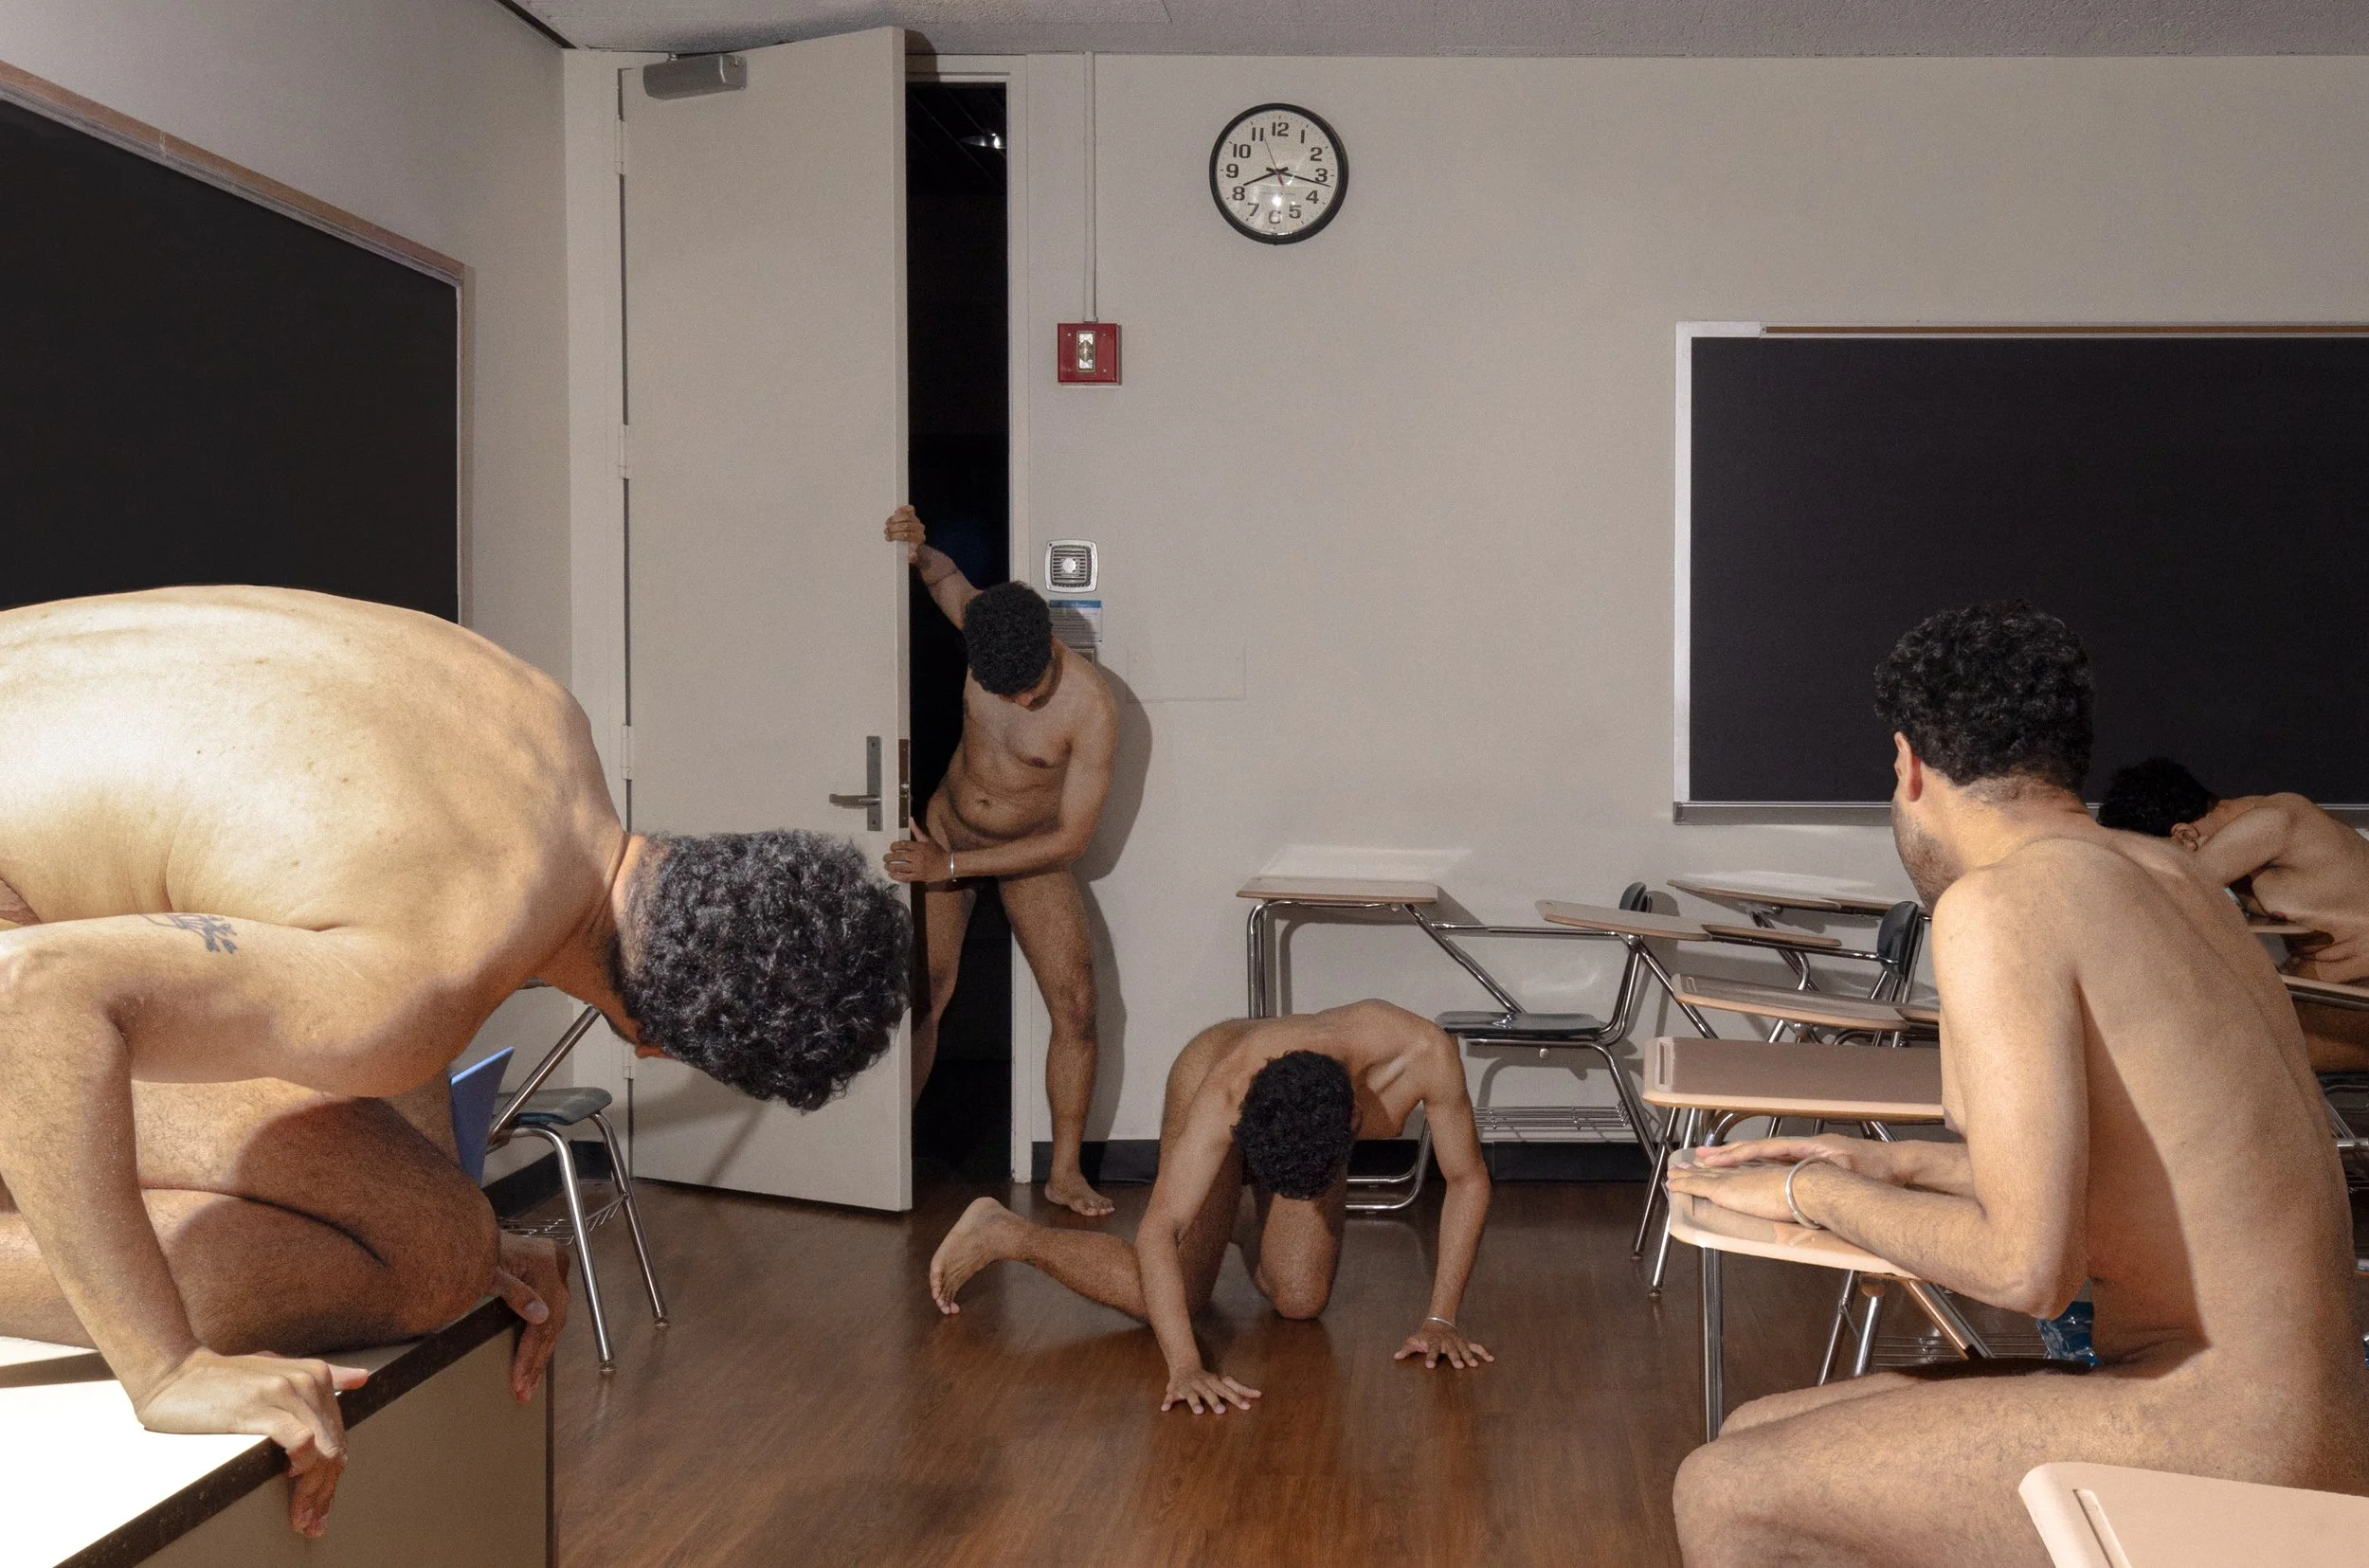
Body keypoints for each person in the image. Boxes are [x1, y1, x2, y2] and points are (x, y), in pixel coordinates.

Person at [0, 586, 910, 1536]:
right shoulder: (411, 986)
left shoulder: (538, 717)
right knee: (431, 1253)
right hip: (24, 964)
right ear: (657, 1042)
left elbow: (407, 975)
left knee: (440, 1241)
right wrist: (164, 1365)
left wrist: (465, 1227)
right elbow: (33, 995)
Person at [1667, 602, 2369, 1567]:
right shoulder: (2178, 881)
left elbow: (2023, 1267)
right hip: (2313, 1420)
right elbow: (2159, 1171)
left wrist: (1809, 1192)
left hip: (2227, 1438)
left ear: (1910, 766)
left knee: (1726, 1490)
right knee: (1758, 1426)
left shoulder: (1997, 903)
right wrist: (1893, 1165)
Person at [926, 1000, 1495, 1415]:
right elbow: (1159, 1230)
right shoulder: (1228, 1087)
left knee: (1300, 1299)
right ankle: (1006, 1232)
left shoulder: (1425, 1055)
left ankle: (1233, 1219)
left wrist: (1440, 1318)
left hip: (1302, 1120)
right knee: (1181, 1295)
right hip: (1214, 1066)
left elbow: (1467, 1180)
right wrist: (1186, 1366)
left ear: (1350, 1121)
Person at [882, 507, 1121, 1217]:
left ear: (1050, 643)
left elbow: (1073, 839)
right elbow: (946, 578)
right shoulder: (985, 624)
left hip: (1028, 853)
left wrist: (951, 873)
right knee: (923, 991)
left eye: (1033, 689)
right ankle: (888, 1152)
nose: (1022, 700)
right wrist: (919, 547)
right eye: (1006, 691)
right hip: (947, 830)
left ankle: (1066, 1171)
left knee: (1077, 1007)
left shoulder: (1091, 708)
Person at [2100, 757, 2369, 1070]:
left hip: (2354, 1004)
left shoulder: (2273, 821)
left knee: (2188, 1047)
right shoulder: (2247, 832)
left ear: (2185, 836)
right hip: (2328, 995)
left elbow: (2163, 899)